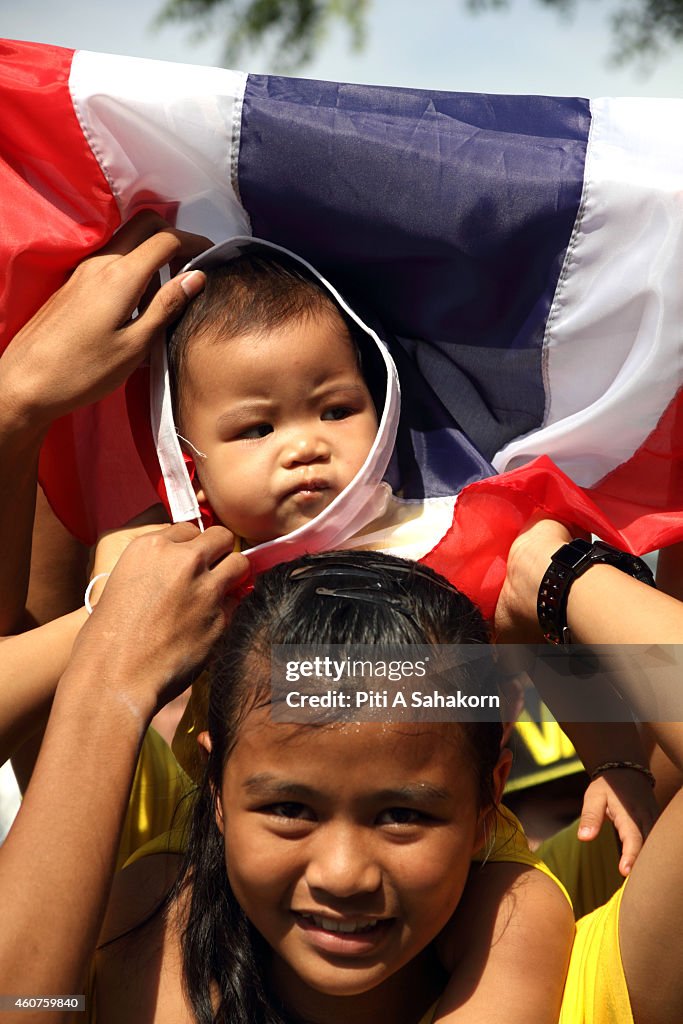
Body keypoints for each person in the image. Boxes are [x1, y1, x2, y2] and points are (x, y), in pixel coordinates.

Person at [90, 544, 683, 1024]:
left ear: (488, 801)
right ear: (214, 787)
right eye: (290, 808)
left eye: (402, 815)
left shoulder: (571, 982)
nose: (343, 875)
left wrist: (552, 577)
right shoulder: (118, 910)